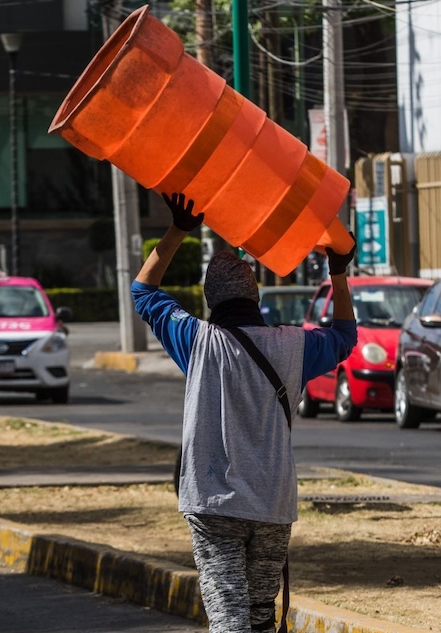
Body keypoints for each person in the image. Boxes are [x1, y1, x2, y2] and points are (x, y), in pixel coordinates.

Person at [131, 192, 357, 633]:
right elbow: (345, 335)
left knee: (229, 620)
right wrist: (338, 273)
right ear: (255, 295)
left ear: (211, 301)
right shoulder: (294, 346)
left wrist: (178, 229)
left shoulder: (196, 342)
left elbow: (143, 292)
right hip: (272, 504)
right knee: (257, 619)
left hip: (214, 505)